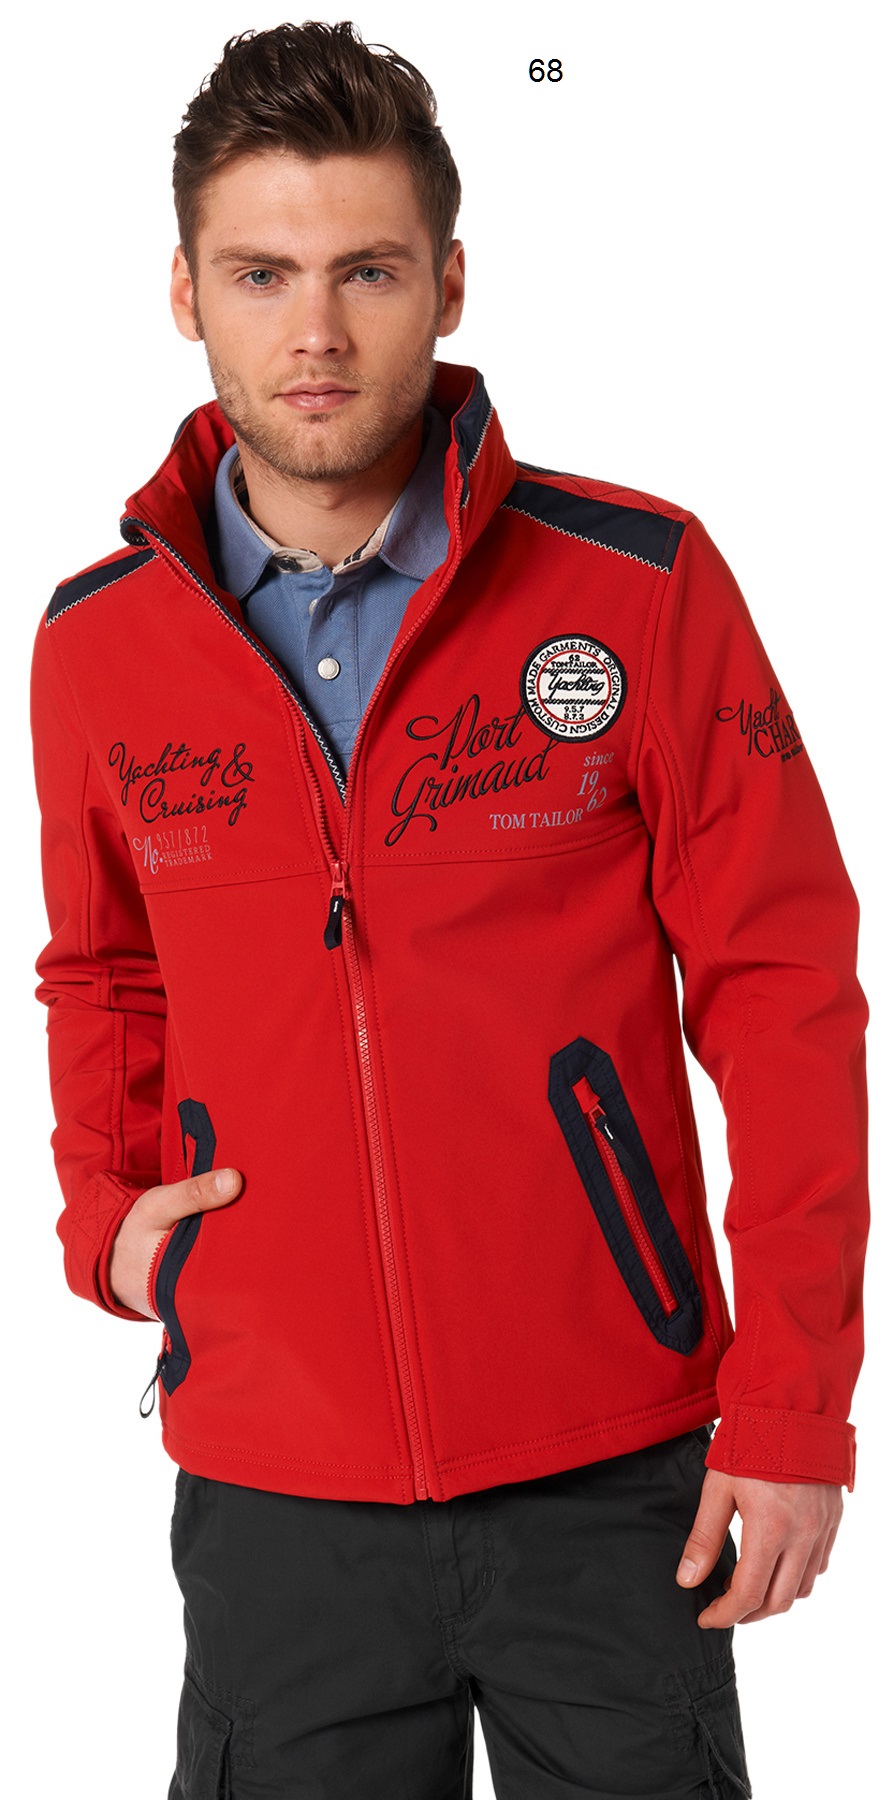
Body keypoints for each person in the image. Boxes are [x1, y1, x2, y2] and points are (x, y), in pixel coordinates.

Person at [29, 19, 868, 1800]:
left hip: (615, 1475)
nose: (315, 333)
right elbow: (102, 970)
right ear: (184, 294)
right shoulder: (97, 646)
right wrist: (107, 1219)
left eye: (368, 270)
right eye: (261, 274)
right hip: (277, 1490)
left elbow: (783, 986)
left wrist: (792, 1401)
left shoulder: (635, 585)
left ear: (449, 284)